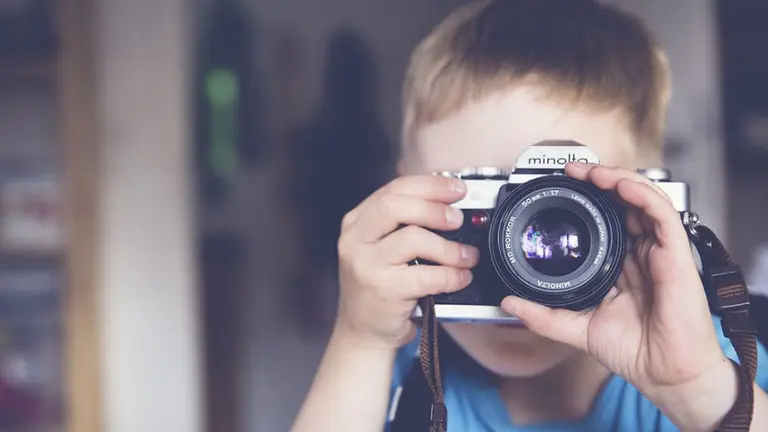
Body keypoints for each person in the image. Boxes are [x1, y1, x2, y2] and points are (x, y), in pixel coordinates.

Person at [291, 0, 768, 430]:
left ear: (643, 204)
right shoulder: (399, 375)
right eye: (484, 207)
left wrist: (695, 390)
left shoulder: (702, 364)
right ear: (403, 201)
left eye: (561, 208)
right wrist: (360, 338)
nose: (516, 258)